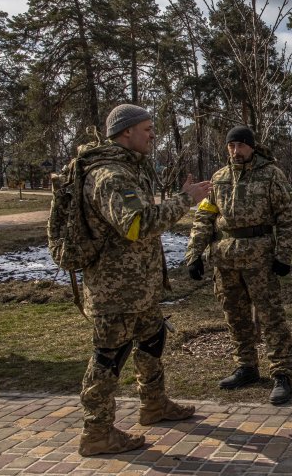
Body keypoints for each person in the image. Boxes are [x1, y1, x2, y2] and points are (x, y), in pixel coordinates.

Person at [77, 104, 212, 456]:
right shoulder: (110, 175)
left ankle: (154, 404)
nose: (153, 135)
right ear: (126, 132)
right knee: (109, 357)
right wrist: (186, 200)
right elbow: (136, 226)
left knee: (152, 340)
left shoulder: (129, 168)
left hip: (139, 287)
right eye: (148, 129)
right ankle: (97, 432)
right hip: (116, 290)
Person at [185, 126, 292, 405]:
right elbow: (205, 216)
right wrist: (194, 253)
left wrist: (284, 255)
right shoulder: (219, 178)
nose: (235, 151)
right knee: (235, 316)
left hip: (259, 257)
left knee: (270, 316)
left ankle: (282, 373)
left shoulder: (271, 174)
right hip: (225, 258)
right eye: (231, 146)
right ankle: (246, 366)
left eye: (240, 146)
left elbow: (286, 215)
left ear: (251, 146)